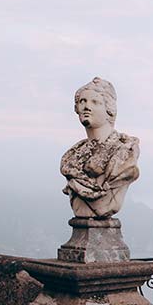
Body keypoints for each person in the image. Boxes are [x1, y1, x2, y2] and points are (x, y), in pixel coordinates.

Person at [60, 77, 140, 219]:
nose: (86, 107)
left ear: (108, 109)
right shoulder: (73, 157)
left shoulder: (124, 153)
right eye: (82, 101)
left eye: (95, 102)